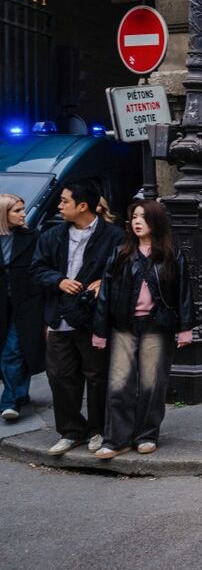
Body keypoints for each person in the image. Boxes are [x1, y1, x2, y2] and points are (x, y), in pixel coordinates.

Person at [91, 200, 194, 458]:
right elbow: (106, 293)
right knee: (119, 383)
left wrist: (185, 328)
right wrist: (100, 330)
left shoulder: (172, 255)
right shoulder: (121, 253)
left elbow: (184, 293)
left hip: (157, 326)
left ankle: (146, 434)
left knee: (152, 383)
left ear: (156, 222)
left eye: (143, 217)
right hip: (123, 326)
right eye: (134, 216)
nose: (137, 222)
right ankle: (116, 439)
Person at [30, 180, 124, 455]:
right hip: (59, 317)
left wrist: (103, 283)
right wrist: (58, 280)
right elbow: (36, 269)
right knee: (59, 376)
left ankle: (98, 430)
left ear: (83, 206)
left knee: (97, 376)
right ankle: (71, 431)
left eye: (64, 201)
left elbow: (122, 271)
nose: (59, 206)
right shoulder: (51, 235)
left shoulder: (114, 236)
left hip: (93, 317)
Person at [0, 195, 45, 422]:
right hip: (3, 304)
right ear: (3, 214)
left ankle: (9, 401)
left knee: (13, 349)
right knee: (14, 350)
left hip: (26, 304)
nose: (23, 214)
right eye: (17, 210)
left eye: (22, 209)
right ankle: (20, 392)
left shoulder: (32, 236)